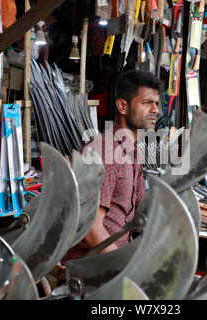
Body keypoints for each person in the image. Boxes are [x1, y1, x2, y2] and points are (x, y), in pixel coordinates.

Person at [62, 70, 163, 263]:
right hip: (93, 267)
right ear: (123, 106)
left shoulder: (134, 152)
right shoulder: (104, 152)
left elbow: (138, 214)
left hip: (119, 256)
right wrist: (123, 266)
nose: (155, 110)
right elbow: (91, 230)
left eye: (156, 104)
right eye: (146, 103)